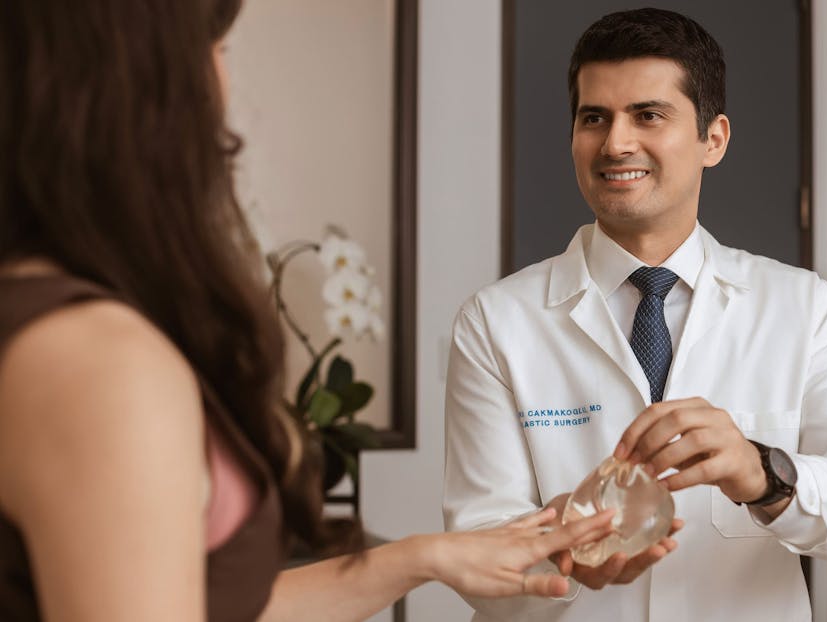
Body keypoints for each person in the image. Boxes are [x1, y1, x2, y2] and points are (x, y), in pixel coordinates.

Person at [0, 1, 620, 621]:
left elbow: (214, 608)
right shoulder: (99, 366)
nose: (226, 80)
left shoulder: (57, 323)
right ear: (146, 86)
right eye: (217, 48)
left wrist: (420, 558)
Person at [444, 7, 827, 622]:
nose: (615, 143)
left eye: (648, 115)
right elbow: (476, 555)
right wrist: (562, 551)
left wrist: (764, 474)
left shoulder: (801, 306)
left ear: (712, 139)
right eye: (593, 118)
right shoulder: (495, 322)